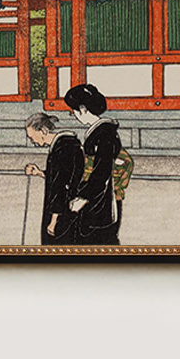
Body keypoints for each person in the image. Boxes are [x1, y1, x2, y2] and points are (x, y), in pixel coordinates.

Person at [63, 84, 122, 245]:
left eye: (73, 111)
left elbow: (101, 172)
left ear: (82, 109)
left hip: (99, 197)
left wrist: (84, 197)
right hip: (94, 193)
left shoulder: (104, 134)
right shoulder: (99, 131)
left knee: (97, 239)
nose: (73, 114)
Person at [24, 112, 84, 244]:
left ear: (43, 131)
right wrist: (40, 173)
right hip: (68, 206)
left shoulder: (62, 148)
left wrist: (53, 220)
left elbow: (60, 185)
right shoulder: (66, 145)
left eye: (32, 137)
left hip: (62, 211)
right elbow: (60, 175)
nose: (32, 141)